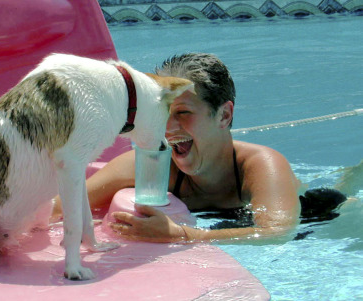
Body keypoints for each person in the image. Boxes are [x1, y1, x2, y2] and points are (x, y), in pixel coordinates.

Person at [82, 53, 302, 242]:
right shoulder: (146, 164)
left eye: (183, 112)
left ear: (224, 116)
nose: (166, 128)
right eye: (162, 112)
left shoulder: (262, 165)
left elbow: (277, 233)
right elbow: (58, 207)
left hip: (317, 211)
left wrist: (182, 235)